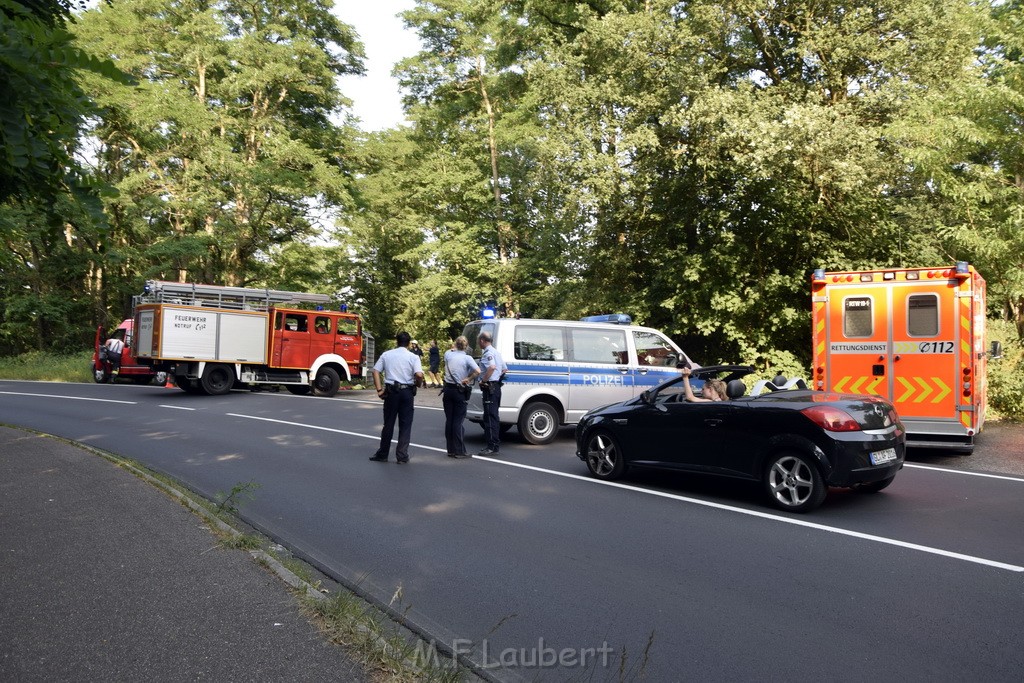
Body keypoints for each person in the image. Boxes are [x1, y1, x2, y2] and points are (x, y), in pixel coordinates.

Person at [369, 332, 425, 464]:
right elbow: (418, 374)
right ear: (409, 343)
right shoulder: (413, 357)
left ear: (397, 341)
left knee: (388, 424)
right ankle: (402, 455)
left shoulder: (387, 354)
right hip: (407, 392)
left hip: (391, 392)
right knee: (405, 424)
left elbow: (375, 371)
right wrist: (418, 383)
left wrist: (379, 390)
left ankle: (383, 454)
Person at [442, 336, 480, 458]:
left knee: (449, 420)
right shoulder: (467, 358)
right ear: (466, 346)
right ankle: (459, 451)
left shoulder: (448, 354)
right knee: (458, 421)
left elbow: (450, 351)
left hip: (447, 390)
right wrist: (468, 379)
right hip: (459, 391)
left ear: (455, 344)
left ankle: (450, 449)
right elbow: (478, 371)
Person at [476, 331, 508, 456]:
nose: (479, 343)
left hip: (489, 387)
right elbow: (504, 369)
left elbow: (492, 367)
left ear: (483, 340)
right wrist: (496, 380)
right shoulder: (496, 352)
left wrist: (484, 381)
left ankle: (492, 446)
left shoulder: (488, 353)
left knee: (489, 417)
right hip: (496, 387)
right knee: (494, 416)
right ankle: (494, 443)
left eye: (479, 340)